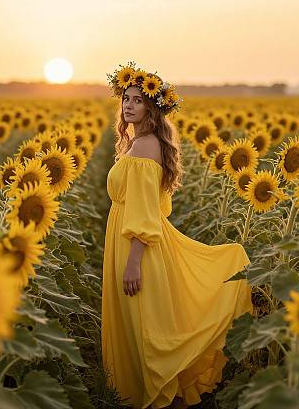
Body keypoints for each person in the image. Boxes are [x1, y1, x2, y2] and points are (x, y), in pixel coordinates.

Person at [102, 62, 253, 409]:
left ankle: (161, 398)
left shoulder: (144, 147)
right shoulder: (140, 143)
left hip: (136, 246)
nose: (128, 105)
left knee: (149, 331)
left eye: (137, 100)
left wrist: (133, 262)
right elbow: (156, 205)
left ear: (151, 108)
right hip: (129, 238)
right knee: (144, 326)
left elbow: (143, 212)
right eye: (125, 98)